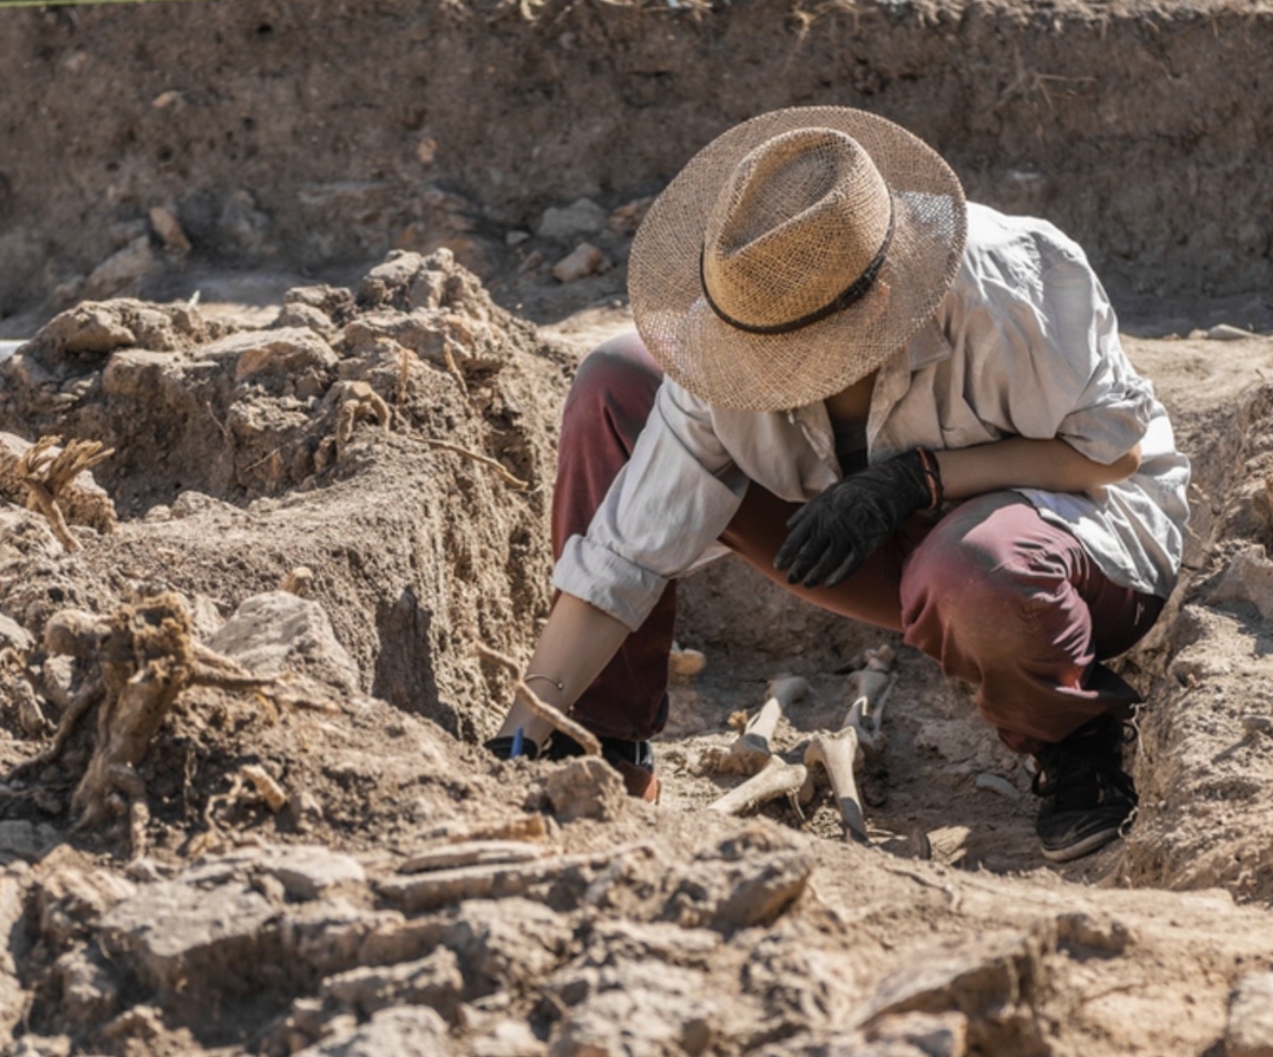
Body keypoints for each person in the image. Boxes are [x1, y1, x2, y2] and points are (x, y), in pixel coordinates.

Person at [487, 106, 1189, 862]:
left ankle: (1074, 733)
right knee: (618, 380)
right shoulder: (739, 322)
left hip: (1074, 545)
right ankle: (598, 747)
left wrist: (919, 480)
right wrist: (529, 724)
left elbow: (1111, 454)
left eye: (799, 356)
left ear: (879, 304)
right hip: (874, 546)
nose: (766, 379)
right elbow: (625, 549)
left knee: (974, 567)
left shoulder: (1012, 285)